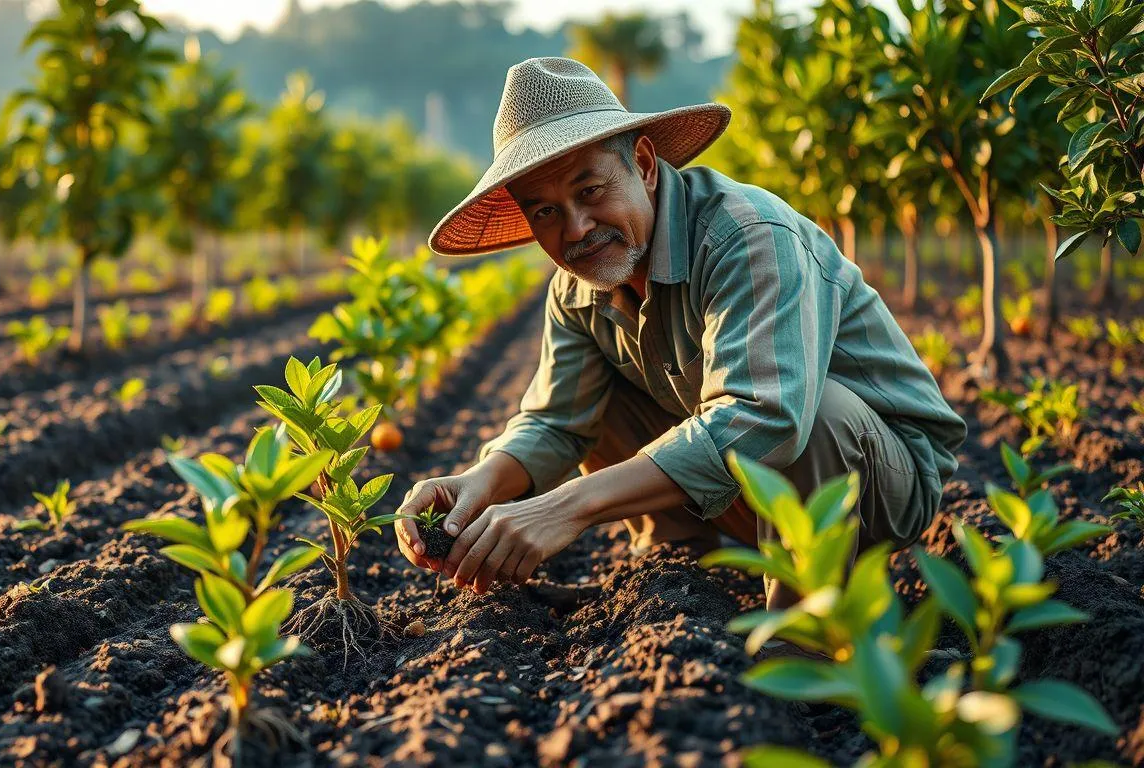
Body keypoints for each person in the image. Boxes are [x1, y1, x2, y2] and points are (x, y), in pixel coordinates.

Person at [395, 57, 966, 609]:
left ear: (643, 165)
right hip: (745, 492)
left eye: (590, 191)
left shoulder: (746, 236)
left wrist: (566, 507)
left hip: (876, 485)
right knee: (601, 399)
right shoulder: (576, 290)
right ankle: (678, 571)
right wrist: (480, 480)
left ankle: (811, 625)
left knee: (812, 413)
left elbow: (766, 418)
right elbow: (555, 422)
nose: (575, 228)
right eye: (544, 212)